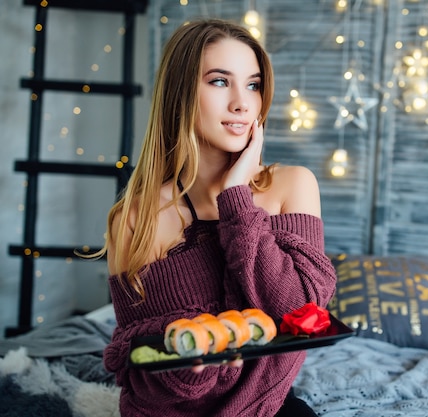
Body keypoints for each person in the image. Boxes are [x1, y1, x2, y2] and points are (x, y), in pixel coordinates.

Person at [99, 18, 337, 417]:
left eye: (253, 84)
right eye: (220, 81)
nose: (242, 103)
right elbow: (137, 364)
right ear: (181, 94)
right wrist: (189, 370)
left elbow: (299, 312)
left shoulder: (292, 186)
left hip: (268, 408)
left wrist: (237, 198)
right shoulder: (136, 217)